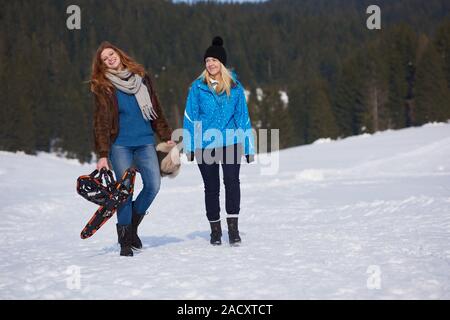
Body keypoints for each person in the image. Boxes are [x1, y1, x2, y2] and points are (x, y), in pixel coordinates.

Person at [90, 41, 175, 256]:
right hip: (121, 146)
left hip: (145, 141)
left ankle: (133, 226)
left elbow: (155, 108)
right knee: (124, 192)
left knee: (153, 185)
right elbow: (100, 121)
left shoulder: (141, 77)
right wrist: (102, 154)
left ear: (119, 54)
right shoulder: (104, 86)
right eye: (105, 58)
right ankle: (125, 240)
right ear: (102, 65)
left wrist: (165, 134)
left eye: (112, 54)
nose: (110, 58)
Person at [183, 36, 255, 246]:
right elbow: (190, 117)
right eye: (207, 61)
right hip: (205, 144)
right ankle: (215, 230)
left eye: (214, 60)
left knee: (232, 183)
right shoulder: (197, 88)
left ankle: (233, 229)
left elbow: (243, 118)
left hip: (231, 142)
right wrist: (190, 145)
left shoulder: (235, 87)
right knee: (211, 187)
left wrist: (249, 147)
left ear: (222, 63)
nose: (211, 64)